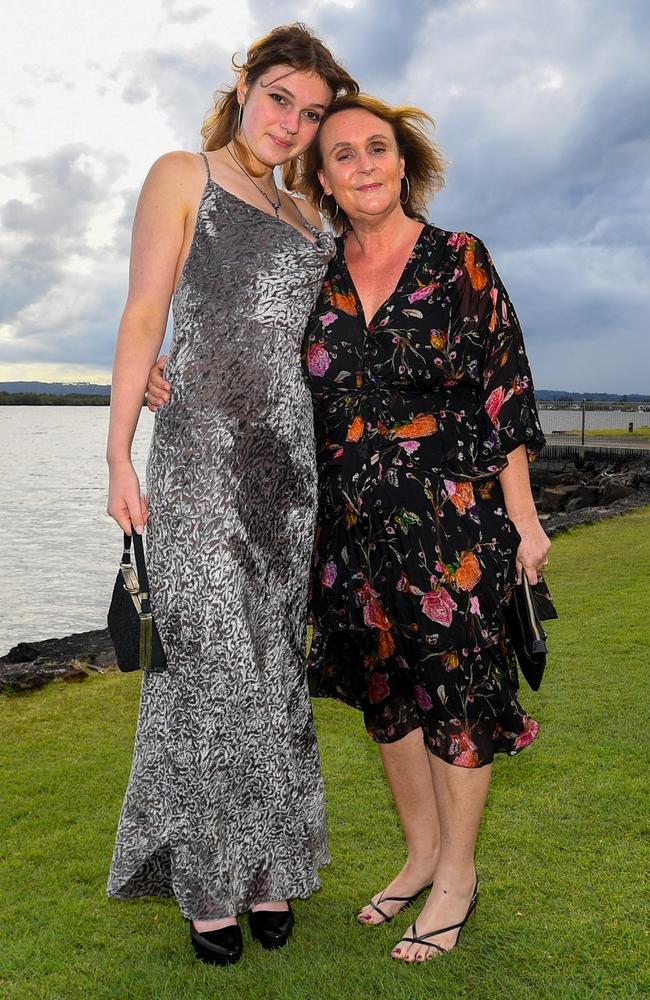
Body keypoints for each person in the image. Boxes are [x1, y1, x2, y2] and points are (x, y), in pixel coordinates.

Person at [147, 93, 551, 963]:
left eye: (378, 148)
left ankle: (457, 875)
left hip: (450, 513)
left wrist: (524, 518)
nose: (363, 164)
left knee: (455, 693)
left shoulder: (458, 258)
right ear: (322, 179)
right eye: (342, 155)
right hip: (342, 518)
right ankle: (417, 855)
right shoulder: (317, 266)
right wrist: (154, 363)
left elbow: (504, 388)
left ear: (404, 162)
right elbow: (240, 338)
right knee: (388, 698)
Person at [105, 24, 358, 967]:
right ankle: (210, 882)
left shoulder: (309, 217)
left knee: (273, 674)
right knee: (212, 669)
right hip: (199, 455)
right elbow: (144, 311)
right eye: (281, 97)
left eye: (313, 111)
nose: (292, 122)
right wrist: (118, 452)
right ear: (246, 85)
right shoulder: (185, 174)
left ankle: (270, 867)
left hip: (290, 474)